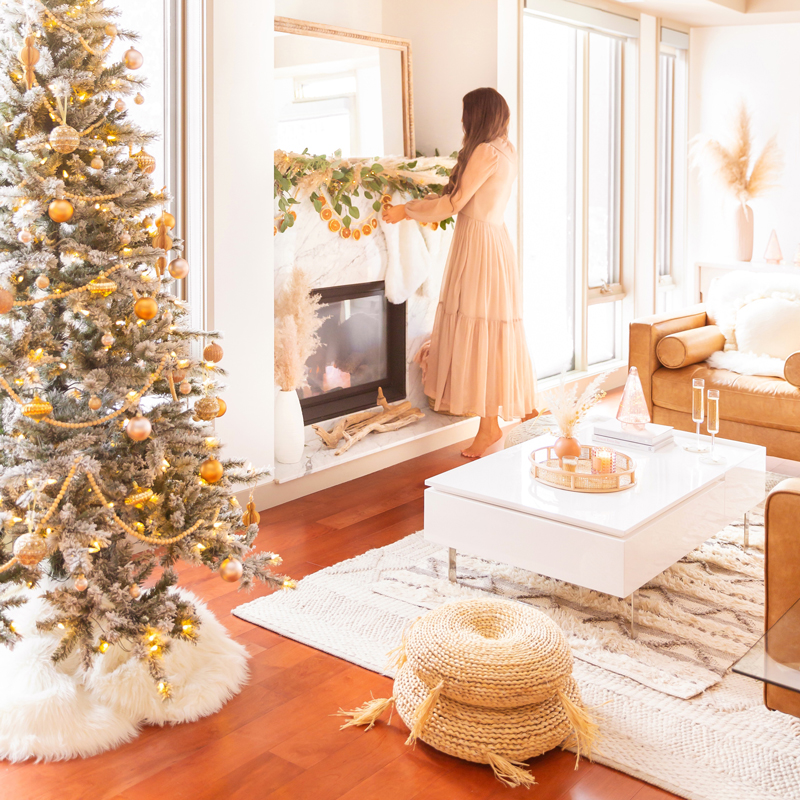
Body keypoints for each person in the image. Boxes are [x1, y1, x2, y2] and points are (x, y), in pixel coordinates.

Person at [383, 87, 537, 458]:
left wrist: (405, 211)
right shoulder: (506, 149)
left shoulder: (484, 151)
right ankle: (507, 418)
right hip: (495, 241)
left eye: (466, 113)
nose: (462, 121)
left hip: (478, 246)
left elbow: (454, 203)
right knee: (492, 328)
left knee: (478, 326)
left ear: (477, 115)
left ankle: (489, 429)